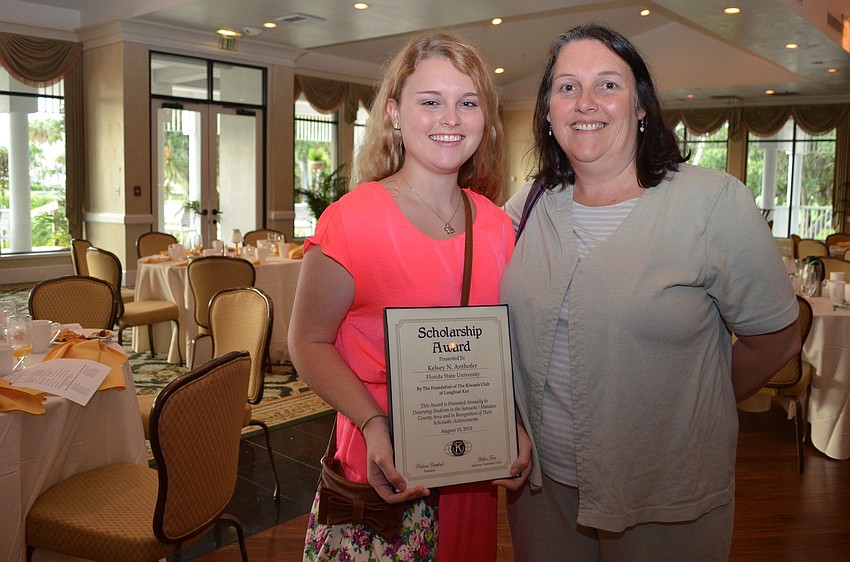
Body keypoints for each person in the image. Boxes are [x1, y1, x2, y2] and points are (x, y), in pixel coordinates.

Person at [499, 23, 800, 561]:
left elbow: (775, 339)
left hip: (664, 495)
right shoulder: (529, 207)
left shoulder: (712, 203)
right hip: (541, 493)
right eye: (567, 87)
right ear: (547, 111)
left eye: (608, 84)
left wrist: (686, 409)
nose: (585, 102)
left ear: (640, 105)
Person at [289, 31, 531, 561]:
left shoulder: (497, 227)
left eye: (468, 103)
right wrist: (373, 423)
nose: (451, 119)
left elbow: (495, 351)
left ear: (485, 120)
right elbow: (307, 342)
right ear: (395, 113)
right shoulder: (351, 221)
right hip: (381, 465)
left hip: (470, 472)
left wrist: (512, 425)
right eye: (431, 101)